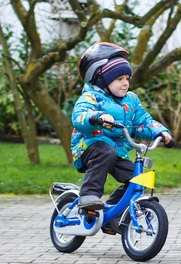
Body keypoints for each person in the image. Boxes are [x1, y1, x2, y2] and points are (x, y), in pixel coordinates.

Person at [71, 42, 173, 212]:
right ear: (102, 79)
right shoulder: (91, 97)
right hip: (89, 146)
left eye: (127, 79)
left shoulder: (131, 99)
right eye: (119, 79)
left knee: (140, 178)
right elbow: (79, 117)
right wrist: (96, 117)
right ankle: (88, 196)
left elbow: (142, 122)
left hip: (117, 152)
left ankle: (115, 212)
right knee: (105, 152)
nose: (125, 83)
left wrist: (160, 132)